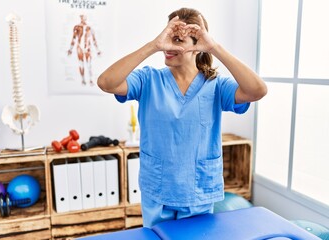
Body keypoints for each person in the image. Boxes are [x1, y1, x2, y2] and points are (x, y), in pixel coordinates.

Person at [97, 8, 267, 227]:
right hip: (158, 190)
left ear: (197, 46)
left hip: (198, 191)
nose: (169, 46)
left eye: (178, 40)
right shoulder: (148, 79)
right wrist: (153, 45)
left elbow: (257, 90)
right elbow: (106, 82)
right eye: (168, 37)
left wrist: (214, 47)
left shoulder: (216, 85)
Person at [68, 14, 101, 86]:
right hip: (79, 47)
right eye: (82, 18)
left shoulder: (90, 28)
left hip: (87, 48)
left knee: (89, 64)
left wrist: (97, 50)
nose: (83, 19)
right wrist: (70, 49)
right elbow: (73, 38)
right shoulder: (77, 27)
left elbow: (94, 39)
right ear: (80, 18)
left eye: (85, 18)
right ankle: (83, 79)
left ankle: (90, 80)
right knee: (81, 64)